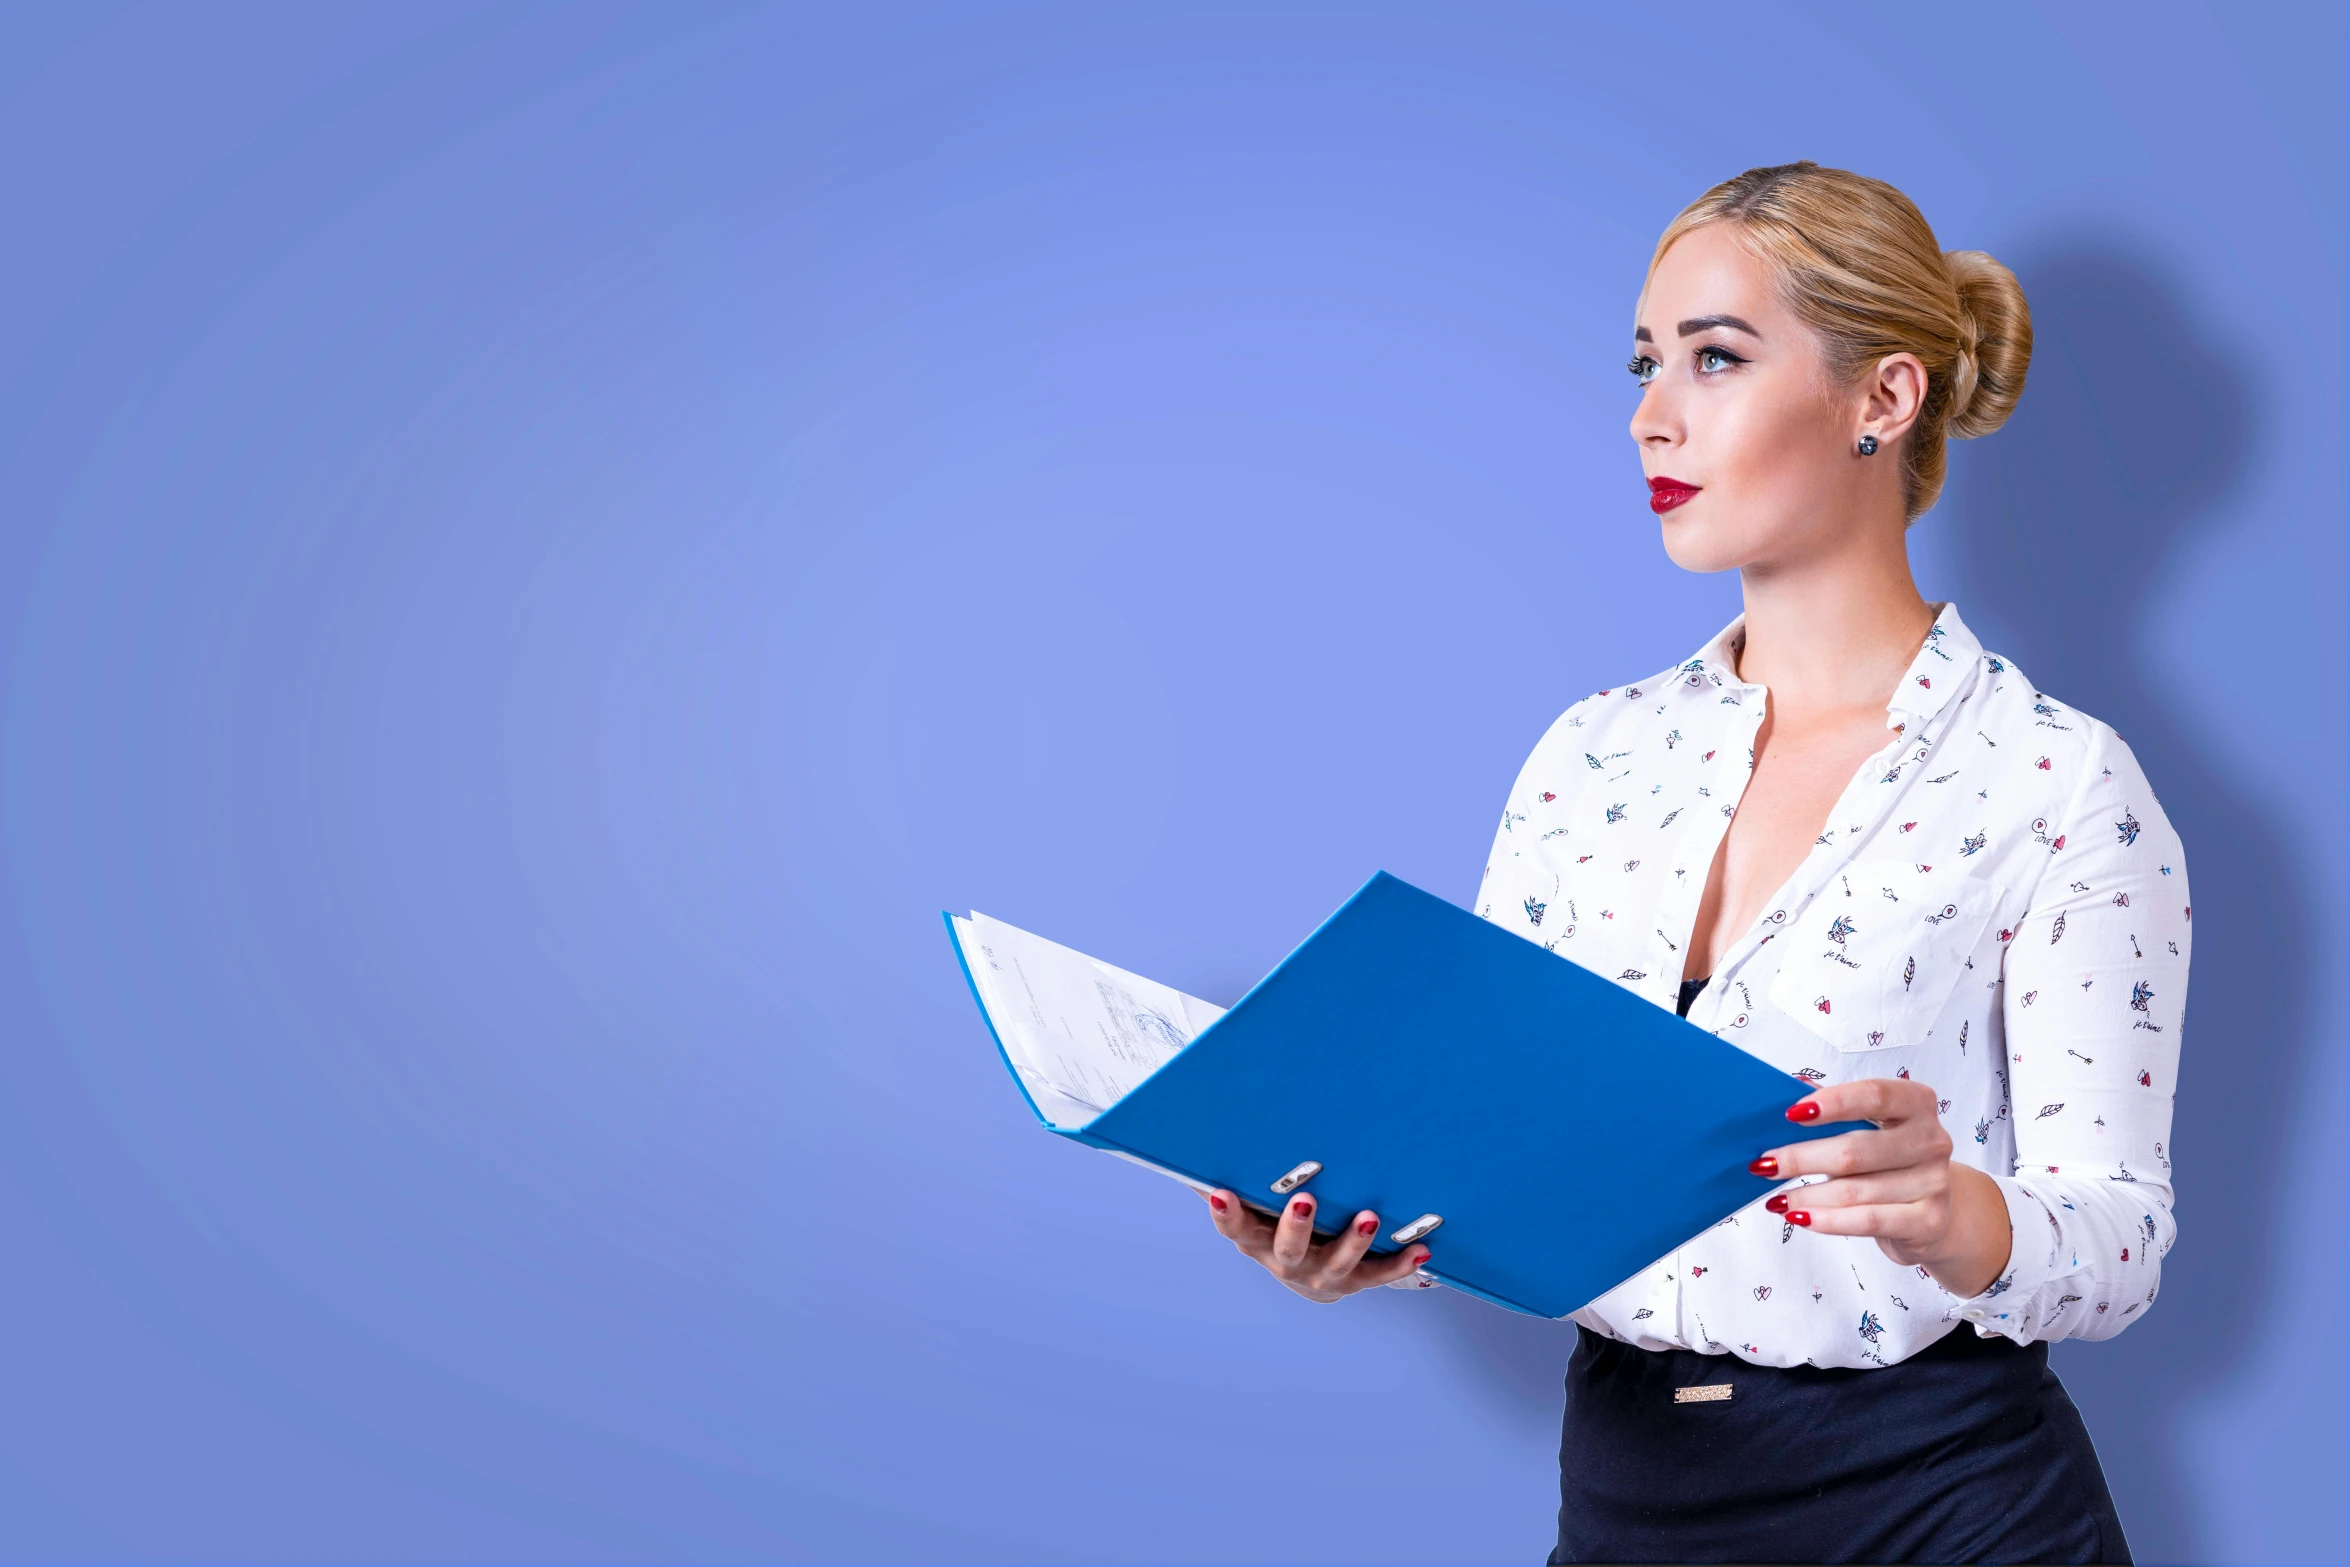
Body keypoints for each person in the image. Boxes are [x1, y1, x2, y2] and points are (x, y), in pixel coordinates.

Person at [1198, 161, 2187, 1565]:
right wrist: (1351, 1223)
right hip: (1625, 1494)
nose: (1648, 414)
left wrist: (1955, 1208)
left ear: (1882, 399)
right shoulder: (1588, 757)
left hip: (1944, 1505)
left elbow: (2119, 1241)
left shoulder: (2055, 781)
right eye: (1645, 362)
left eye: (1713, 358)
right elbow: (1494, 1150)